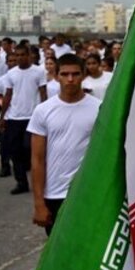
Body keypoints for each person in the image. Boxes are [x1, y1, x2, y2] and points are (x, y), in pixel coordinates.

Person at [28, 54, 101, 236]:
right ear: (56, 76)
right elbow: (37, 160)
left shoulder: (99, 108)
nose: (70, 79)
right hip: (54, 195)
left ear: (83, 75)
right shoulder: (42, 111)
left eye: (75, 74)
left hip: (88, 194)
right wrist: (39, 203)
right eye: (64, 74)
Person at [0, 44, 48, 195]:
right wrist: (2, 116)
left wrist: (44, 113)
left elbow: (43, 93)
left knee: (30, 149)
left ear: (29, 56)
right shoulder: (11, 74)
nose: (19, 58)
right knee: (15, 152)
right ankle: (21, 182)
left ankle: (41, 181)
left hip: (33, 117)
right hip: (14, 118)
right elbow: (8, 95)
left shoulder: (39, 72)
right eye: (17, 55)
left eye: (22, 55)